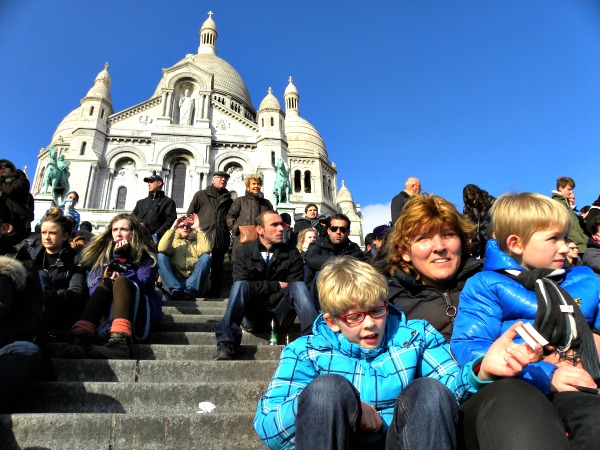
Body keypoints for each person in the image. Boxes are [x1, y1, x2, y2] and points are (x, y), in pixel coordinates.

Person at [253, 257, 541, 449]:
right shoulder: (304, 351)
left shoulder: (415, 335)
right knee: (327, 390)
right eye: (354, 317)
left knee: (429, 390)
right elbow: (267, 426)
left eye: (377, 310)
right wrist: (347, 407)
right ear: (332, 322)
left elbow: (449, 391)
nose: (369, 324)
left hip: (405, 440)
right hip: (340, 440)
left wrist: (483, 370)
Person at [452, 193, 600, 449]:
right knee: (592, 422)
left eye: (565, 237)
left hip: (589, 376)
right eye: (553, 238)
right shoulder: (487, 285)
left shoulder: (584, 278)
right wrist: (546, 373)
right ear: (516, 244)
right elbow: (472, 346)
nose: (565, 247)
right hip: (533, 389)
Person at [372, 194, 482, 342]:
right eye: (423, 238)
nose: (439, 247)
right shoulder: (389, 307)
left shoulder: (489, 283)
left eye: (448, 234)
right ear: (404, 252)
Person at [214, 210, 318, 360]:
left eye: (281, 224)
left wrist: (257, 286)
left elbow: (293, 285)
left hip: (281, 315)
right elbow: (243, 283)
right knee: (240, 286)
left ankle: (314, 340)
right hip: (252, 315)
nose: (281, 228)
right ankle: (226, 342)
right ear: (259, 229)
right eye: (274, 225)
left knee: (298, 286)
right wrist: (276, 285)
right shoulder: (243, 252)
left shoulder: (292, 253)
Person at [62, 214, 160, 359]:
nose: (118, 234)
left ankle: (120, 341)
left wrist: (124, 259)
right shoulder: (104, 256)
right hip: (106, 312)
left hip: (138, 312)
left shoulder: (148, 256)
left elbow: (142, 283)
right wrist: (111, 271)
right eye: (115, 230)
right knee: (106, 283)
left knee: (120, 281)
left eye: (124, 229)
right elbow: (93, 289)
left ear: (133, 232)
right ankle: (81, 337)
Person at [0, 198, 43, 412]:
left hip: (5, 344)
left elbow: (30, 318)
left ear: (5, 227)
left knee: (26, 350)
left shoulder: (24, 265)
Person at [29, 208, 87, 332]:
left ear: (65, 236)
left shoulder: (75, 260)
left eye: (53, 233)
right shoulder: (30, 257)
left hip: (59, 311)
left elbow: (77, 291)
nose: (47, 237)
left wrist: (57, 294)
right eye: (44, 233)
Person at [187, 171, 233, 298]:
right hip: (202, 235)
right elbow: (190, 214)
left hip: (220, 237)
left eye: (225, 178)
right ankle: (196, 291)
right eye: (219, 178)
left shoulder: (229, 199)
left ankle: (214, 294)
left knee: (218, 267)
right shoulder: (201, 195)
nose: (222, 180)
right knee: (200, 264)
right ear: (213, 180)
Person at [304, 213, 370, 288]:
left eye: (343, 229)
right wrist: (340, 264)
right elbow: (310, 259)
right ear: (329, 231)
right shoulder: (318, 244)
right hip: (321, 289)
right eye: (334, 228)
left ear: (348, 232)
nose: (338, 232)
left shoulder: (353, 248)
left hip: (346, 289)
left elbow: (366, 264)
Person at [157, 214, 212, 300]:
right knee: (161, 256)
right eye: (182, 226)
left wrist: (198, 229)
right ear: (177, 228)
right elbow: (161, 248)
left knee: (206, 257)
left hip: (194, 283)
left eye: (187, 226)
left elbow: (206, 250)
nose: (185, 228)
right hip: (175, 282)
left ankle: (190, 291)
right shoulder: (172, 242)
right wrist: (173, 227)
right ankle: (175, 289)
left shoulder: (197, 241)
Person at [226, 174, 273, 257]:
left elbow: (272, 219)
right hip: (242, 242)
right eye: (253, 184)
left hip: (262, 242)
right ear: (248, 186)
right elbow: (230, 216)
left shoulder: (266, 203)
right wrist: (237, 228)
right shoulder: (240, 201)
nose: (256, 186)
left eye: (258, 184)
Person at [132, 174, 177, 244]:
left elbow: (171, 219)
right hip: (138, 236)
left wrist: (157, 234)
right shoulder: (140, 202)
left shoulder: (168, 202)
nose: (149, 184)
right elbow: (132, 218)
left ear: (159, 183)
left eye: (151, 182)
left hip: (155, 238)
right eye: (148, 182)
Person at [551, 177, 587, 254]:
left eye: (572, 190)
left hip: (582, 246)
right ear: (561, 188)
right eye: (569, 189)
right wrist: (573, 242)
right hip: (573, 247)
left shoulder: (566, 205)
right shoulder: (556, 204)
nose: (571, 192)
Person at [0, 159, 32, 240]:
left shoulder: (22, 181)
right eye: (0, 167)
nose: (3, 168)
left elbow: (11, 191)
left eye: (6, 166)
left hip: (16, 223)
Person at [462, 184, 495, 258]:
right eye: (470, 201)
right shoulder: (469, 211)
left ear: (477, 195)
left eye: (473, 199)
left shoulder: (494, 204)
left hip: (495, 244)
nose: (473, 202)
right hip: (482, 248)